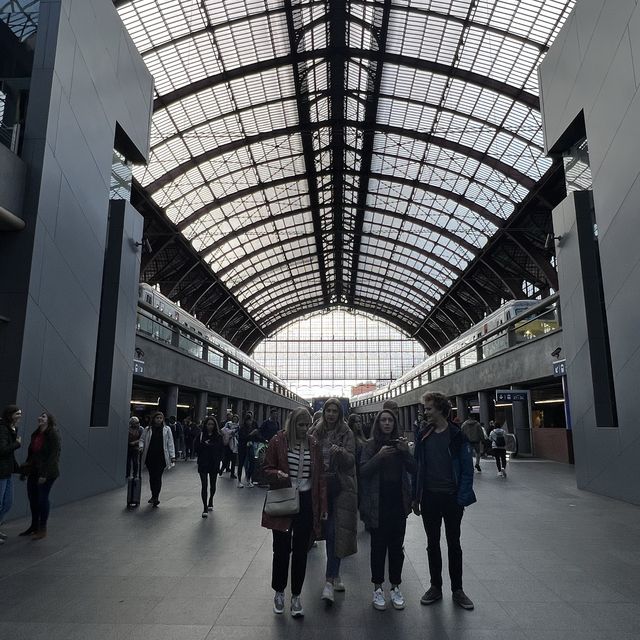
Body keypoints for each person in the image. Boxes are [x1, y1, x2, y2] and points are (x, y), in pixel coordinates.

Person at [412, 392, 476, 610]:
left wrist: (461, 498)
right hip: (430, 497)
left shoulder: (457, 436)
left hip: (451, 498)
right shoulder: (424, 434)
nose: (425, 412)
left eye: (428, 409)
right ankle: (435, 586)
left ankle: (457, 589)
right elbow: (417, 467)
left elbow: (467, 470)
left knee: (454, 544)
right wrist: (416, 497)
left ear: (440, 409)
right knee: (432, 544)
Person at [262, 407, 327, 617]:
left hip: (306, 501)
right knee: (280, 549)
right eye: (301, 425)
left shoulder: (313, 443)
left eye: (307, 425)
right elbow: (266, 468)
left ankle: (296, 596)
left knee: (301, 551)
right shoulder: (278, 441)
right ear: (292, 424)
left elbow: (319, 478)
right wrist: (277, 473)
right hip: (284, 497)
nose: (305, 429)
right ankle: (279, 591)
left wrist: (322, 506)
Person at [360, 409, 416, 611]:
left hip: (398, 503)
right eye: (383, 420)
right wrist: (379, 457)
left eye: (390, 420)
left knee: (396, 548)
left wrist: (405, 451)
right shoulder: (370, 445)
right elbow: (363, 471)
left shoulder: (401, 444)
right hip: (377, 504)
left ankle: (395, 586)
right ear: (378, 423)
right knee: (378, 547)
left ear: (394, 423)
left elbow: (414, 469)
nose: (386, 423)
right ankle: (377, 588)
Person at [312, 398, 357, 603]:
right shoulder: (315, 431)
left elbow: (351, 461)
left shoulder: (346, 433)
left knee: (334, 532)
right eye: (328, 411)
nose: (331, 414)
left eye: (334, 411)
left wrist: (342, 453)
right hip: (319, 488)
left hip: (338, 489)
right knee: (323, 530)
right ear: (323, 412)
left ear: (340, 414)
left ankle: (329, 581)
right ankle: (335, 574)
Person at [19, 411, 61, 540]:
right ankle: (34, 526)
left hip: (47, 472)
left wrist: (45, 474)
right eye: (40, 416)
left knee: (42, 498)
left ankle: (42, 528)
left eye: (43, 416)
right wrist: (25, 471)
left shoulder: (53, 434)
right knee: (33, 499)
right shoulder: (36, 434)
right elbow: (31, 454)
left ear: (49, 420)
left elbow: (53, 456)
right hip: (34, 470)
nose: (40, 418)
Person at [139, 411, 175, 507]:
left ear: (163, 419)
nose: (159, 420)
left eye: (160, 418)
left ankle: (156, 497)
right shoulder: (148, 429)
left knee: (158, 476)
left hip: (161, 457)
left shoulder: (167, 429)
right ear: (154, 419)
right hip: (150, 456)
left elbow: (170, 443)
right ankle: (153, 494)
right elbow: (142, 439)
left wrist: (172, 456)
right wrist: (141, 446)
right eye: (157, 418)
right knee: (152, 477)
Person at [0, 405, 22, 543]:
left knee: (8, 503)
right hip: (1, 471)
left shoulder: (11, 429)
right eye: (17, 414)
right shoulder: (2, 429)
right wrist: (17, 444)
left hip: (7, 471)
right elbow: (2, 450)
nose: (20, 416)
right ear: (10, 415)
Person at [196, 416, 224, 516]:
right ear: (205, 425)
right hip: (203, 463)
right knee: (204, 485)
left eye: (212, 424)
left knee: (213, 485)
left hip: (214, 463)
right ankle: (204, 508)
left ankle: (211, 499)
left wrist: (221, 464)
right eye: (208, 424)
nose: (210, 426)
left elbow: (220, 450)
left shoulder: (218, 436)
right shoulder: (201, 435)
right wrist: (204, 444)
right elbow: (196, 448)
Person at [237, 411, 258, 488]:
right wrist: (251, 434)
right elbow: (243, 438)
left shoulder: (252, 427)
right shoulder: (242, 428)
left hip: (250, 446)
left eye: (251, 420)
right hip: (242, 447)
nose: (250, 422)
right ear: (245, 421)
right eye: (249, 420)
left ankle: (248, 479)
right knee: (241, 463)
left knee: (252, 462)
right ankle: (239, 481)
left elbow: (256, 436)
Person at [221, 414, 239, 478]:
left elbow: (238, 434)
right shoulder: (228, 424)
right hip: (228, 443)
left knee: (233, 460)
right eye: (234, 418)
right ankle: (222, 469)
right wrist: (230, 433)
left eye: (236, 418)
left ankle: (232, 473)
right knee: (227, 458)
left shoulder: (238, 426)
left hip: (235, 444)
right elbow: (224, 431)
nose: (235, 419)